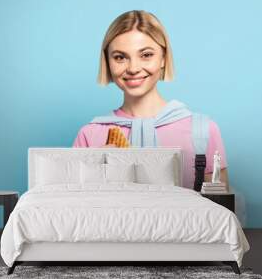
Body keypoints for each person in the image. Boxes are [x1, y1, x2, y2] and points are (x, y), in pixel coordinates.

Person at [72, 10, 229, 190]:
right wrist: (95, 174)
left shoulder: (203, 131)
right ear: (107, 62)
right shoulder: (89, 136)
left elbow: (220, 211)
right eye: (120, 57)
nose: (133, 68)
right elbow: (77, 211)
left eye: (146, 55)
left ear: (163, 57)